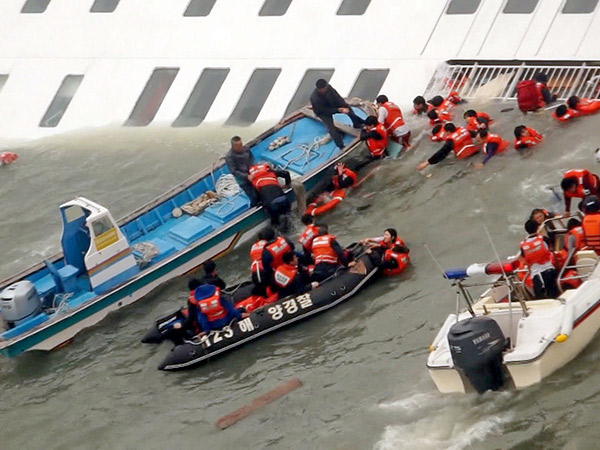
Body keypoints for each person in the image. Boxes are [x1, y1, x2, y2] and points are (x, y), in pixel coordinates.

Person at [310, 79, 365, 150]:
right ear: (320, 89)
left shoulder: (328, 88)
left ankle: (357, 124)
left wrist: (344, 106)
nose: (326, 88)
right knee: (331, 128)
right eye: (325, 88)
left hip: (332, 103)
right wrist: (338, 110)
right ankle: (341, 146)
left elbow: (337, 97)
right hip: (323, 112)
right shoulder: (315, 99)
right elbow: (325, 111)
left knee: (348, 109)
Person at [519, 219, 559, 299]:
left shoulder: (523, 245)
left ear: (526, 230)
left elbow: (525, 260)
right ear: (537, 228)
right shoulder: (544, 239)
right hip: (549, 271)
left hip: (535, 276)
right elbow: (552, 252)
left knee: (540, 297)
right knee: (554, 294)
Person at [226, 136, 258, 206]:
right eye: (238, 146)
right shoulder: (229, 157)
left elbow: (251, 158)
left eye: (241, 145)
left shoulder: (246, 149)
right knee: (254, 197)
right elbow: (234, 171)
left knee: (260, 191)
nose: (240, 147)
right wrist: (247, 176)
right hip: (242, 179)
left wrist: (253, 168)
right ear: (233, 146)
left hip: (251, 172)